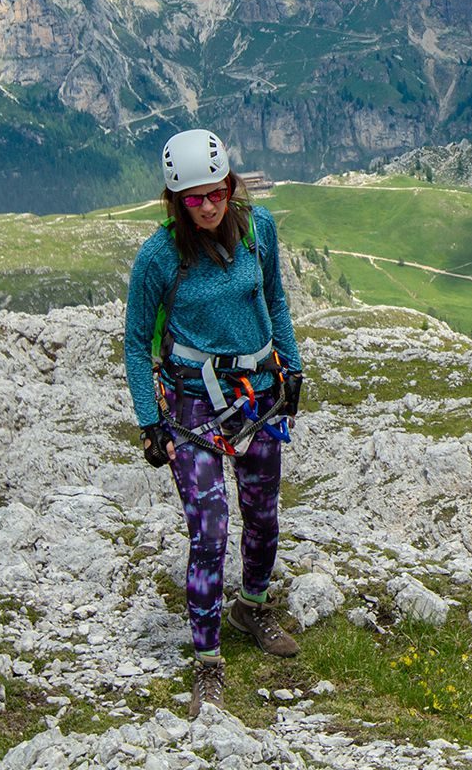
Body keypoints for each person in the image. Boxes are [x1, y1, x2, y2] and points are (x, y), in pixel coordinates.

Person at [124, 129, 305, 717]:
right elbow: (134, 342)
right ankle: (207, 664)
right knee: (209, 530)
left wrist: (293, 367)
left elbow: (274, 300)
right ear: (174, 201)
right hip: (191, 405)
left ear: (230, 186)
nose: (207, 206)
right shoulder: (158, 257)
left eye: (215, 193)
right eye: (193, 198)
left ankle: (251, 606)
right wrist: (151, 421)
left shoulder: (260, 231)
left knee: (262, 512)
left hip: (257, 394)